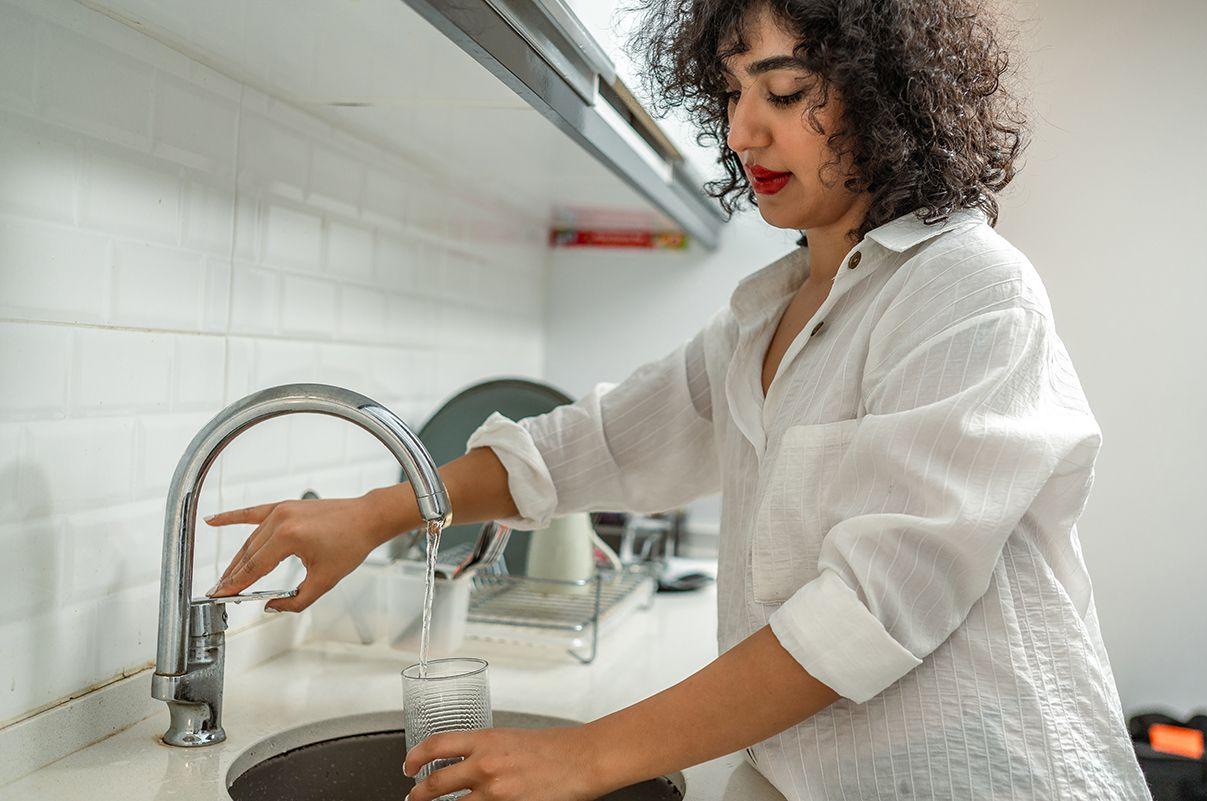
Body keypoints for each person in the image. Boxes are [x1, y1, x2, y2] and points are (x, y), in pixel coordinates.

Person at [206, 1, 1154, 799]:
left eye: (783, 93)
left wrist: (588, 752)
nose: (743, 132)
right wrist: (375, 513)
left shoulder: (967, 290)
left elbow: (872, 608)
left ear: (884, 92)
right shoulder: (767, 314)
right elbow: (598, 445)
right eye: (734, 93)